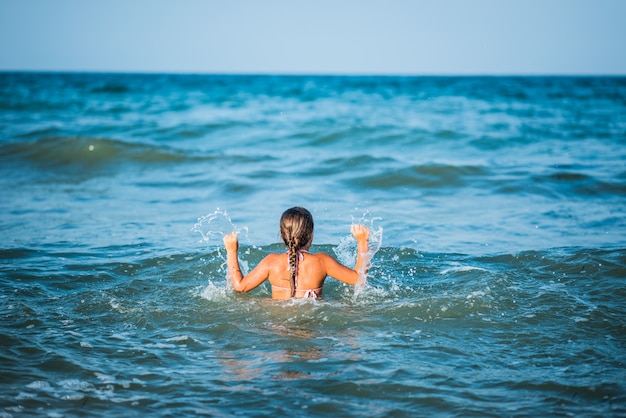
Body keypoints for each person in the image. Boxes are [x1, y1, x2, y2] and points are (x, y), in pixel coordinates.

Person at [222, 206, 370, 299]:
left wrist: (231, 250)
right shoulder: (322, 262)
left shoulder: (271, 262)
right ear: (311, 234)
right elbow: (359, 280)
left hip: (278, 327)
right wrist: (362, 242)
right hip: (313, 323)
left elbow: (240, 287)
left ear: (281, 234)